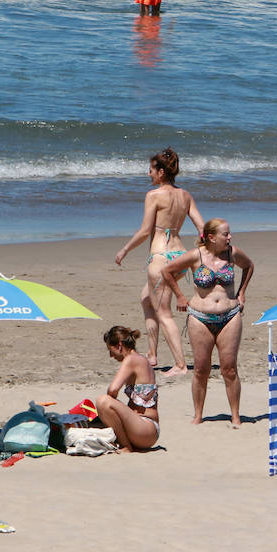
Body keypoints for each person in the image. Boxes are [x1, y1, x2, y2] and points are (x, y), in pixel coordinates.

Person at [114, 147, 204, 374]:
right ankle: (152, 355)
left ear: (162, 172)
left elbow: (145, 231)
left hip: (161, 259)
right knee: (146, 298)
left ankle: (181, 365)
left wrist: (125, 249)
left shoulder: (153, 196)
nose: (149, 174)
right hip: (180, 256)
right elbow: (202, 228)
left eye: (151, 170)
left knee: (164, 313)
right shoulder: (185, 196)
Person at [163, 218, 254, 427]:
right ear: (211, 237)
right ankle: (198, 415)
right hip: (199, 318)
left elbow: (249, 266)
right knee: (201, 370)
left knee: (229, 369)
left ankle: (236, 415)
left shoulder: (233, 253)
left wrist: (241, 292)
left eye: (229, 234)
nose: (229, 237)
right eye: (225, 234)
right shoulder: (196, 256)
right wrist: (179, 296)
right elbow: (167, 271)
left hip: (230, 316)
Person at [95, 326, 160, 452]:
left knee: (103, 401)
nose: (111, 355)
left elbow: (112, 390)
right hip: (143, 429)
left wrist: (110, 411)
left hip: (146, 427)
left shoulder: (131, 359)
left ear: (119, 345)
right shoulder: (141, 360)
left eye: (111, 350)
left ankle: (126, 446)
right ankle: (125, 442)